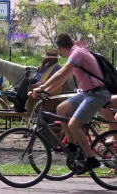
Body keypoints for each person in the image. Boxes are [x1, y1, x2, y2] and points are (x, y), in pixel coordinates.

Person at [33, 33, 111, 173]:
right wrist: (45, 92)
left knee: (73, 124)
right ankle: (72, 144)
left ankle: (91, 159)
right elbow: (62, 80)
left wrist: (42, 87)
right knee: (61, 109)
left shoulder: (77, 53)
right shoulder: (75, 53)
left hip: (97, 94)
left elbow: (61, 74)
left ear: (60, 48)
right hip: (87, 93)